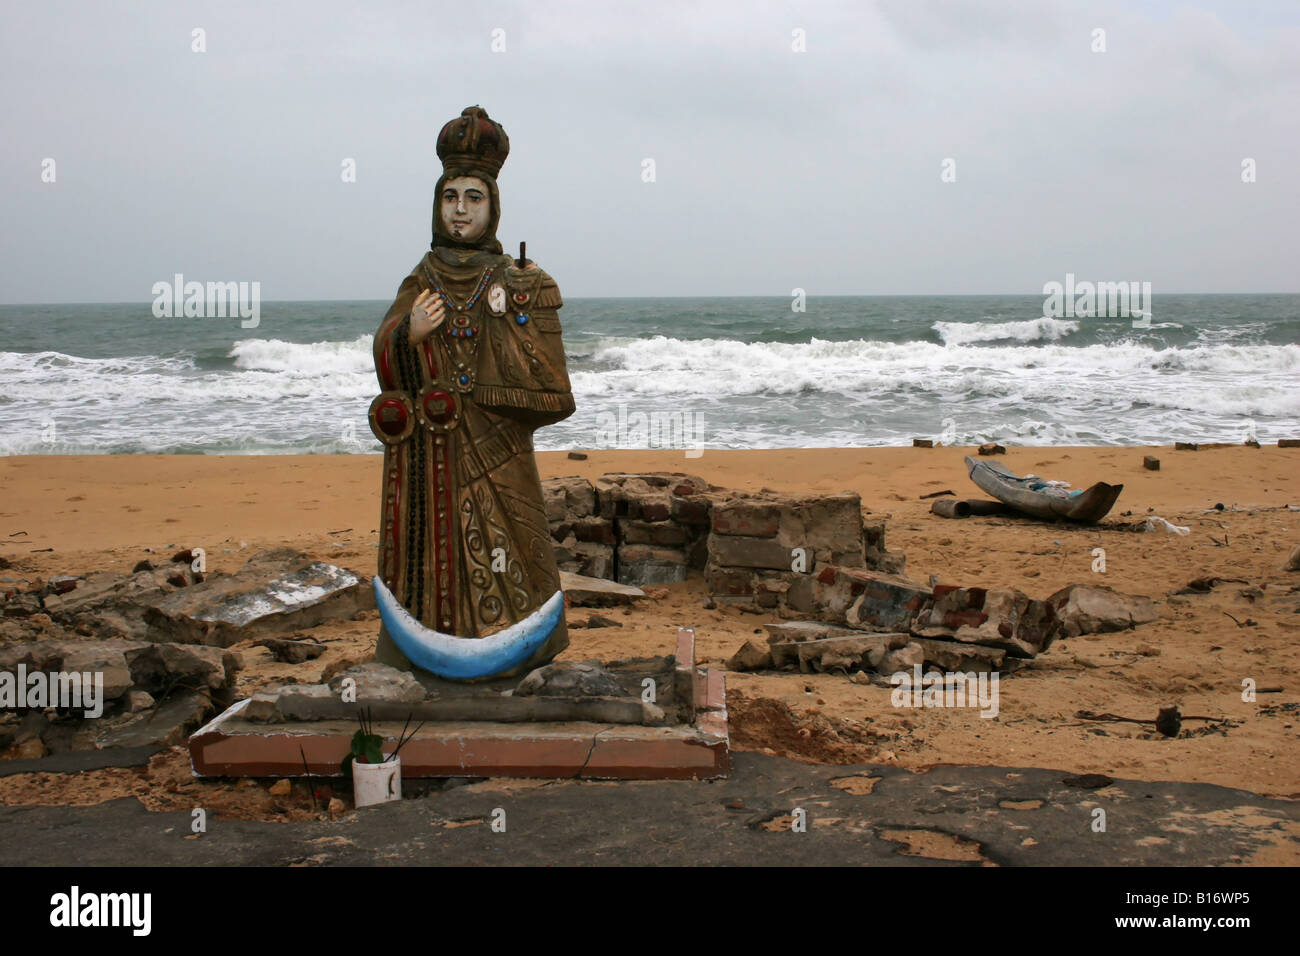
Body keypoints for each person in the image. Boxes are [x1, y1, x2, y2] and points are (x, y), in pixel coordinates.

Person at [367, 105, 574, 680]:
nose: (460, 210)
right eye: (450, 197)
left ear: (493, 205)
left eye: (473, 198)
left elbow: (555, 392)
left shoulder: (519, 280)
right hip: (434, 457)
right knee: (437, 558)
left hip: (499, 452)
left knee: (516, 563)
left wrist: (496, 376)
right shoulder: (424, 276)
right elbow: (384, 351)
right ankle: (430, 655)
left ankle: (520, 656)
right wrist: (410, 337)